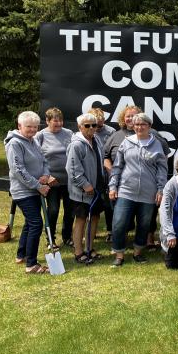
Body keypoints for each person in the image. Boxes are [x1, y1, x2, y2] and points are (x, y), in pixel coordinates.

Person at [108, 113, 167, 267]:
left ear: (149, 126)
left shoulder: (156, 144)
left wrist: (161, 189)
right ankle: (119, 255)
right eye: (137, 125)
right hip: (126, 190)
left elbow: (162, 169)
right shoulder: (126, 143)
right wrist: (113, 186)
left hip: (148, 192)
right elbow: (117, 167)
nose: (140, 127)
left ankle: (138, 253)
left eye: (143, 124)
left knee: (144, 224)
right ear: (133, 127)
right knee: (119, 222)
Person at [4, 111, 50, 274]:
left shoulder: (34, 140)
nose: (32, 130)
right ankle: (31, 264)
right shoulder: (14, 143)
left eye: (35, 127)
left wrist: (45, 174)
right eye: (28, 127)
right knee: (36, 223)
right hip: (23, 191)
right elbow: (18, 170)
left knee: (29, 223)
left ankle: (21, 254)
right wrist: (38, 185)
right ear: (19, 126)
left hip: (35, 189)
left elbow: (44, 160)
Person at [66, 113, 106, 264]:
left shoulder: (97, 140)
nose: (91, 128)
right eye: (87, 125)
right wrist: (84, 185)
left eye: (94, 125)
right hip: (82, 192)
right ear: (79, 127)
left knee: (95, 217)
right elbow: (73, 169)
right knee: (81, 220)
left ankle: (90, 248)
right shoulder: (76, 144)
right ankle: (78, 252)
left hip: (97, 189)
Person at [34, 107, 74, 248]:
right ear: (47, 121)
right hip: (51, 181)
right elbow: (36, 160)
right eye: (55, 121)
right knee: (53, 210)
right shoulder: (40, 136)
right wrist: (47, 177)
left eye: (61, 121)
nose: (59, 124)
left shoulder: (69, 133)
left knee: (70, 211)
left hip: (68, 181)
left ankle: (67, 236)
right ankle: (50, 240)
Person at [88, 107, 116, 244]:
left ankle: (110, 231)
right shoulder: (85, 131)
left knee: (108, 204)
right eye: (95, 125)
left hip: (107, 174)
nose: (97, 128)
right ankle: (90, 231)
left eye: (100, 124)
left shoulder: (111, 132)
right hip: (92, 175)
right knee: (92, 205)